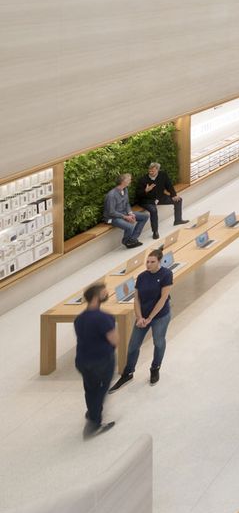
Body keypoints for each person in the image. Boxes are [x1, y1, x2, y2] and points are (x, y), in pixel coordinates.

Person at [109, 248, 174, 392]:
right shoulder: (142, 276)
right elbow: (136, 299)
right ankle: (128, 373)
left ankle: (155, 368)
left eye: (152, 262)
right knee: (133, 346)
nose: (148, 264)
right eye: (147, 261)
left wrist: (150, 318)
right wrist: (139, 317)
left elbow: (163, 299)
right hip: (142, 317)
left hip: (160, 316)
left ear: (159, 261)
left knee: (158, 342)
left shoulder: (166, 275)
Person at [75, 282, 117, 438]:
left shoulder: (79, 319)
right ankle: (94, 422)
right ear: (96, 296)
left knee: (90, 387)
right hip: (101, 360)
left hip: (82, 361)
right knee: (102, 388)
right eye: (105, 292)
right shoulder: (104, 318)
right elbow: (114, 340)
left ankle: (91, 411)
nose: (107, 294)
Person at [136, 162, 187, 240]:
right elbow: (138, 194)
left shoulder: (163, 175)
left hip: (159, 198)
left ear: (158, 170)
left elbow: (169, 185)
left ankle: (178, 220)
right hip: (147, 200)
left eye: (153, 171)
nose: (150, 172)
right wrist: (146, 190)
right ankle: (155, 231)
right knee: (153, 210)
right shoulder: (143, 179)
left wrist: (174, 195)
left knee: (178, 200)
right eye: (149, 170)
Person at [104, 173, 149, 249]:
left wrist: (130, 213)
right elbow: (111, 212)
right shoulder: (111, 195)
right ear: (123, 181)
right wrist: (125, 217)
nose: (130, 181)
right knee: (130, 227)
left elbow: (127, 203)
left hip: (124, 213)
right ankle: (126, 242)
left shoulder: (125, 190)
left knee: (145, 216)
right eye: (129, 179)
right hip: (112, 218)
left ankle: (132, 239)